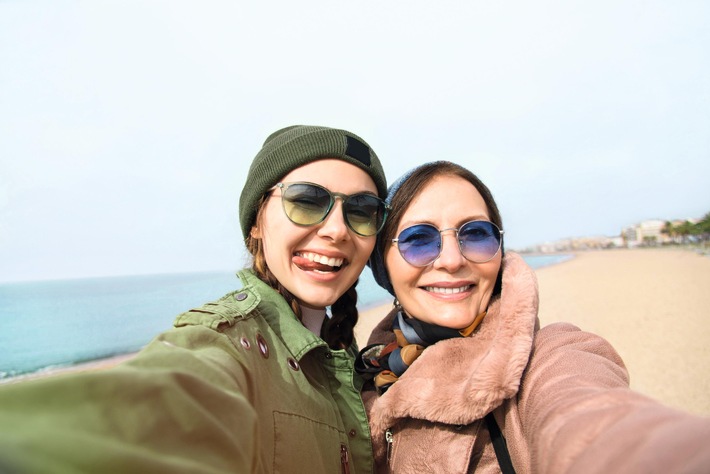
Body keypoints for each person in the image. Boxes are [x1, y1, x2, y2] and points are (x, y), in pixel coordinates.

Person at [0, 125, 389, 473]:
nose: (337, 230)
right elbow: (172, 402)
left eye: (362, 210)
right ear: (257, 221)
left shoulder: (348, 351)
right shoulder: (229, 341)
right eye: (306, 201)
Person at [356, 161, 710, 473]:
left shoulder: (546, 356)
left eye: (475, 234)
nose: (452, 260)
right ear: (383, 265)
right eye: (419, 239)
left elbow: (591, 421)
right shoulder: (368, 374)